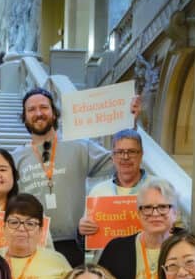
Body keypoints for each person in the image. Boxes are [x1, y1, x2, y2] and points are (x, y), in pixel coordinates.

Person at [13, 88, 140, 267]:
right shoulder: (15, 157)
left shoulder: (79, 146)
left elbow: (118, 161)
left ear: (54, 113)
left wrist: (130, 124)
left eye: (44, 107)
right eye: (31, 109)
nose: (39, 113)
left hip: (73, 243)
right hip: (32, 241)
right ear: (24, 117)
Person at [97, 177, 183, 279]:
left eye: (163, 207)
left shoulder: (187, 249)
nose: (155, 213)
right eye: (147, 208)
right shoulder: (116, 249)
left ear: (175, 213)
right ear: (138, 213)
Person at [81, 129, 159, 257]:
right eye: (119, 152)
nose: (125, 157)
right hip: (109, 264)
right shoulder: (98, 192)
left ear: (141, 154)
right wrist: (82, 232)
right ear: (112, 157)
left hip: (149, 261)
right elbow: (87, 244)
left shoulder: (159, 188)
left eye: (132, 151)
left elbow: (175, 230)